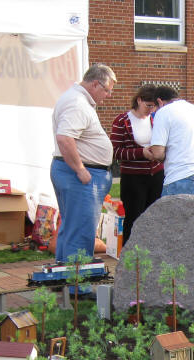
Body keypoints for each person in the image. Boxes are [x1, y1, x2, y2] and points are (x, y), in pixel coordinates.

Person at [51, 63, 116, 262]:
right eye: (107, 90)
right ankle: (77, 278)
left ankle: (65, 273)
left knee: (72, 227)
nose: (109, 95)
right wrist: (79, 169)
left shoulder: (76, 99)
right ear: (95, 84)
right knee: (81, 230)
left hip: (76, 172)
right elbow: (64, 138)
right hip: (80, 174)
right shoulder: (77, 103)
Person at [110, 84, 163, 245]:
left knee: (155, 218)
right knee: (133, 218)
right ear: (139, 100)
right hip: (133, 178)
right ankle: (130, 255)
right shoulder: (122, 121)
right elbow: (116, 151)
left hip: (156, 175)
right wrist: (141, 153)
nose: (151, 110)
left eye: (154, 106)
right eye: (148, 105)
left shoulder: (156, 119)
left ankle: (151, 252)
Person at [146, 86, 194, 201]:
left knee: (175, 213)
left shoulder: (163, 112)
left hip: (181, 177)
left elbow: (158, 153)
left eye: (154, 108)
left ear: (159, 102)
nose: (153, 111)